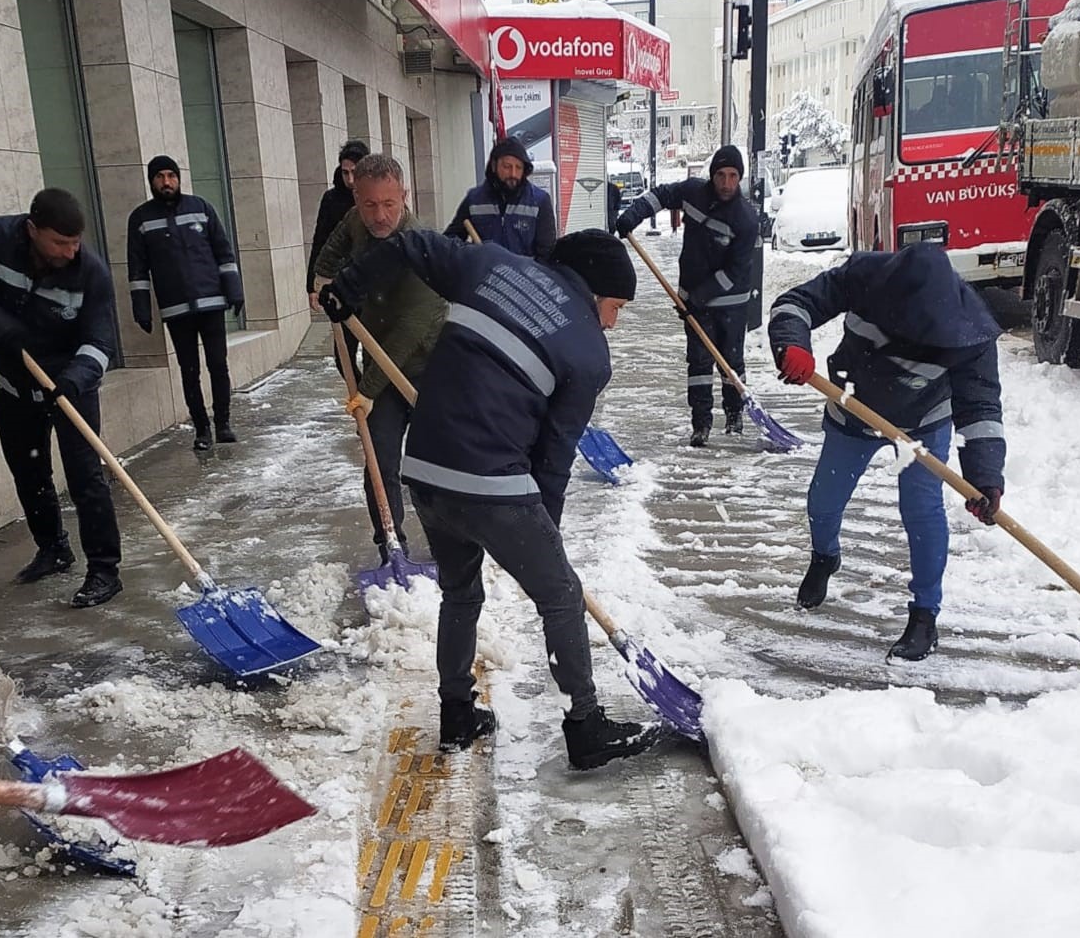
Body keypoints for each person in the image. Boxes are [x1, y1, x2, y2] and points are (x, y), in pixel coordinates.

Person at [319, 229, 656, 770]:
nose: (612, 322)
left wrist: (349, 287)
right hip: (492, 484)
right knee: (561, 594)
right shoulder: (590, 354)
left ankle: (457, 712)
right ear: (594, 292)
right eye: (614, 307)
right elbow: (552, 459)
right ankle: (585, 724)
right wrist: (546, 539)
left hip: (425, 468)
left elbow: (410, 244)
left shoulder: (490, 266)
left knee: (460, 592)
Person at [767, 241, 1007, 661]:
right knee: (823, 501)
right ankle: (825, 557)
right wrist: (792, 345)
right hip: (854, 408)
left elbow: (980, 408)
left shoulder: (971, 331)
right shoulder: (864, 277)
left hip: (922, 426)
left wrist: (984, 478)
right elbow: (797, 303)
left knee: (922, 511)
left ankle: (924, 615)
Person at [0, 189, 123, 608]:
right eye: (60, 242)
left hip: (69, 385)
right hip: (12, 378)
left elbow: (100, 340)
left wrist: (75, 379)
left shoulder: (89, 272)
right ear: (32, 230)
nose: (70, 251)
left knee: (86, 478)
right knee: (28, 469)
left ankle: (104, 571)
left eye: (76, 241)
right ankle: (53, 548)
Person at [311, 153, 446, 564]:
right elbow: (330, 252)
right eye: (370, 204)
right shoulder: (356, 221)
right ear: (357, 199)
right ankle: (391, 544)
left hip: (428, 369)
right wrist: (322, 279)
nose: (380, 215)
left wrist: (366, 391)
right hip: (378, 365)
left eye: (389, 204)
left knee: (434, 466)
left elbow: (409, 330)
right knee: (379, 458)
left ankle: (450, 544)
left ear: (404, 196)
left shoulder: (422, 246)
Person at [616, 145, 758, 447]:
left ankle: (734, 415)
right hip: (691, 298)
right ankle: (701, 424)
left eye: (733, 176)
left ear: (740, 178)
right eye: (721, 175)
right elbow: (663, 195)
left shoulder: (745, 219)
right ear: (712, 175)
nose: (726, 183)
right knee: (698, 363)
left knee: (730, 362)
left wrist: (701, 296)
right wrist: (634, 214)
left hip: (730, 300)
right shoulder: (694, 193)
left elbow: (734, 271)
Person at [126, 155, 244, 450]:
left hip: (211, 302)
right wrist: (141, 307)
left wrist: (235, 290)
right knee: (189, 370)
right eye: (160, 177)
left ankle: (223, 424)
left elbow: (223, 252)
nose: (167, 182)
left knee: (218, 364)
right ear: (151, 181)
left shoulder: (201, 208)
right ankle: (201, 430)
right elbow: (137, 268)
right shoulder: (140, 219)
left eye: (171, 176)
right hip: (176, 308)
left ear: (178, 178)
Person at [444, 137, 556, 260]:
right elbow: (450, 241)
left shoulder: (539, 202)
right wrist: (471, 254)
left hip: (524, 277)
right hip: (486, 276)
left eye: (518, 168)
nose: (513, 174)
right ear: (494, 166)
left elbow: (547, 255)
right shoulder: (474, 200)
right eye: (507, 166)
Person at [306, 139, 370, 305]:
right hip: (342, 279)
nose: (350, 179)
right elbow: (320, 241)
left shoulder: (376, 195)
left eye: (354, 172)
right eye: (345, 172)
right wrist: (312, 286)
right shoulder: (331, 199)